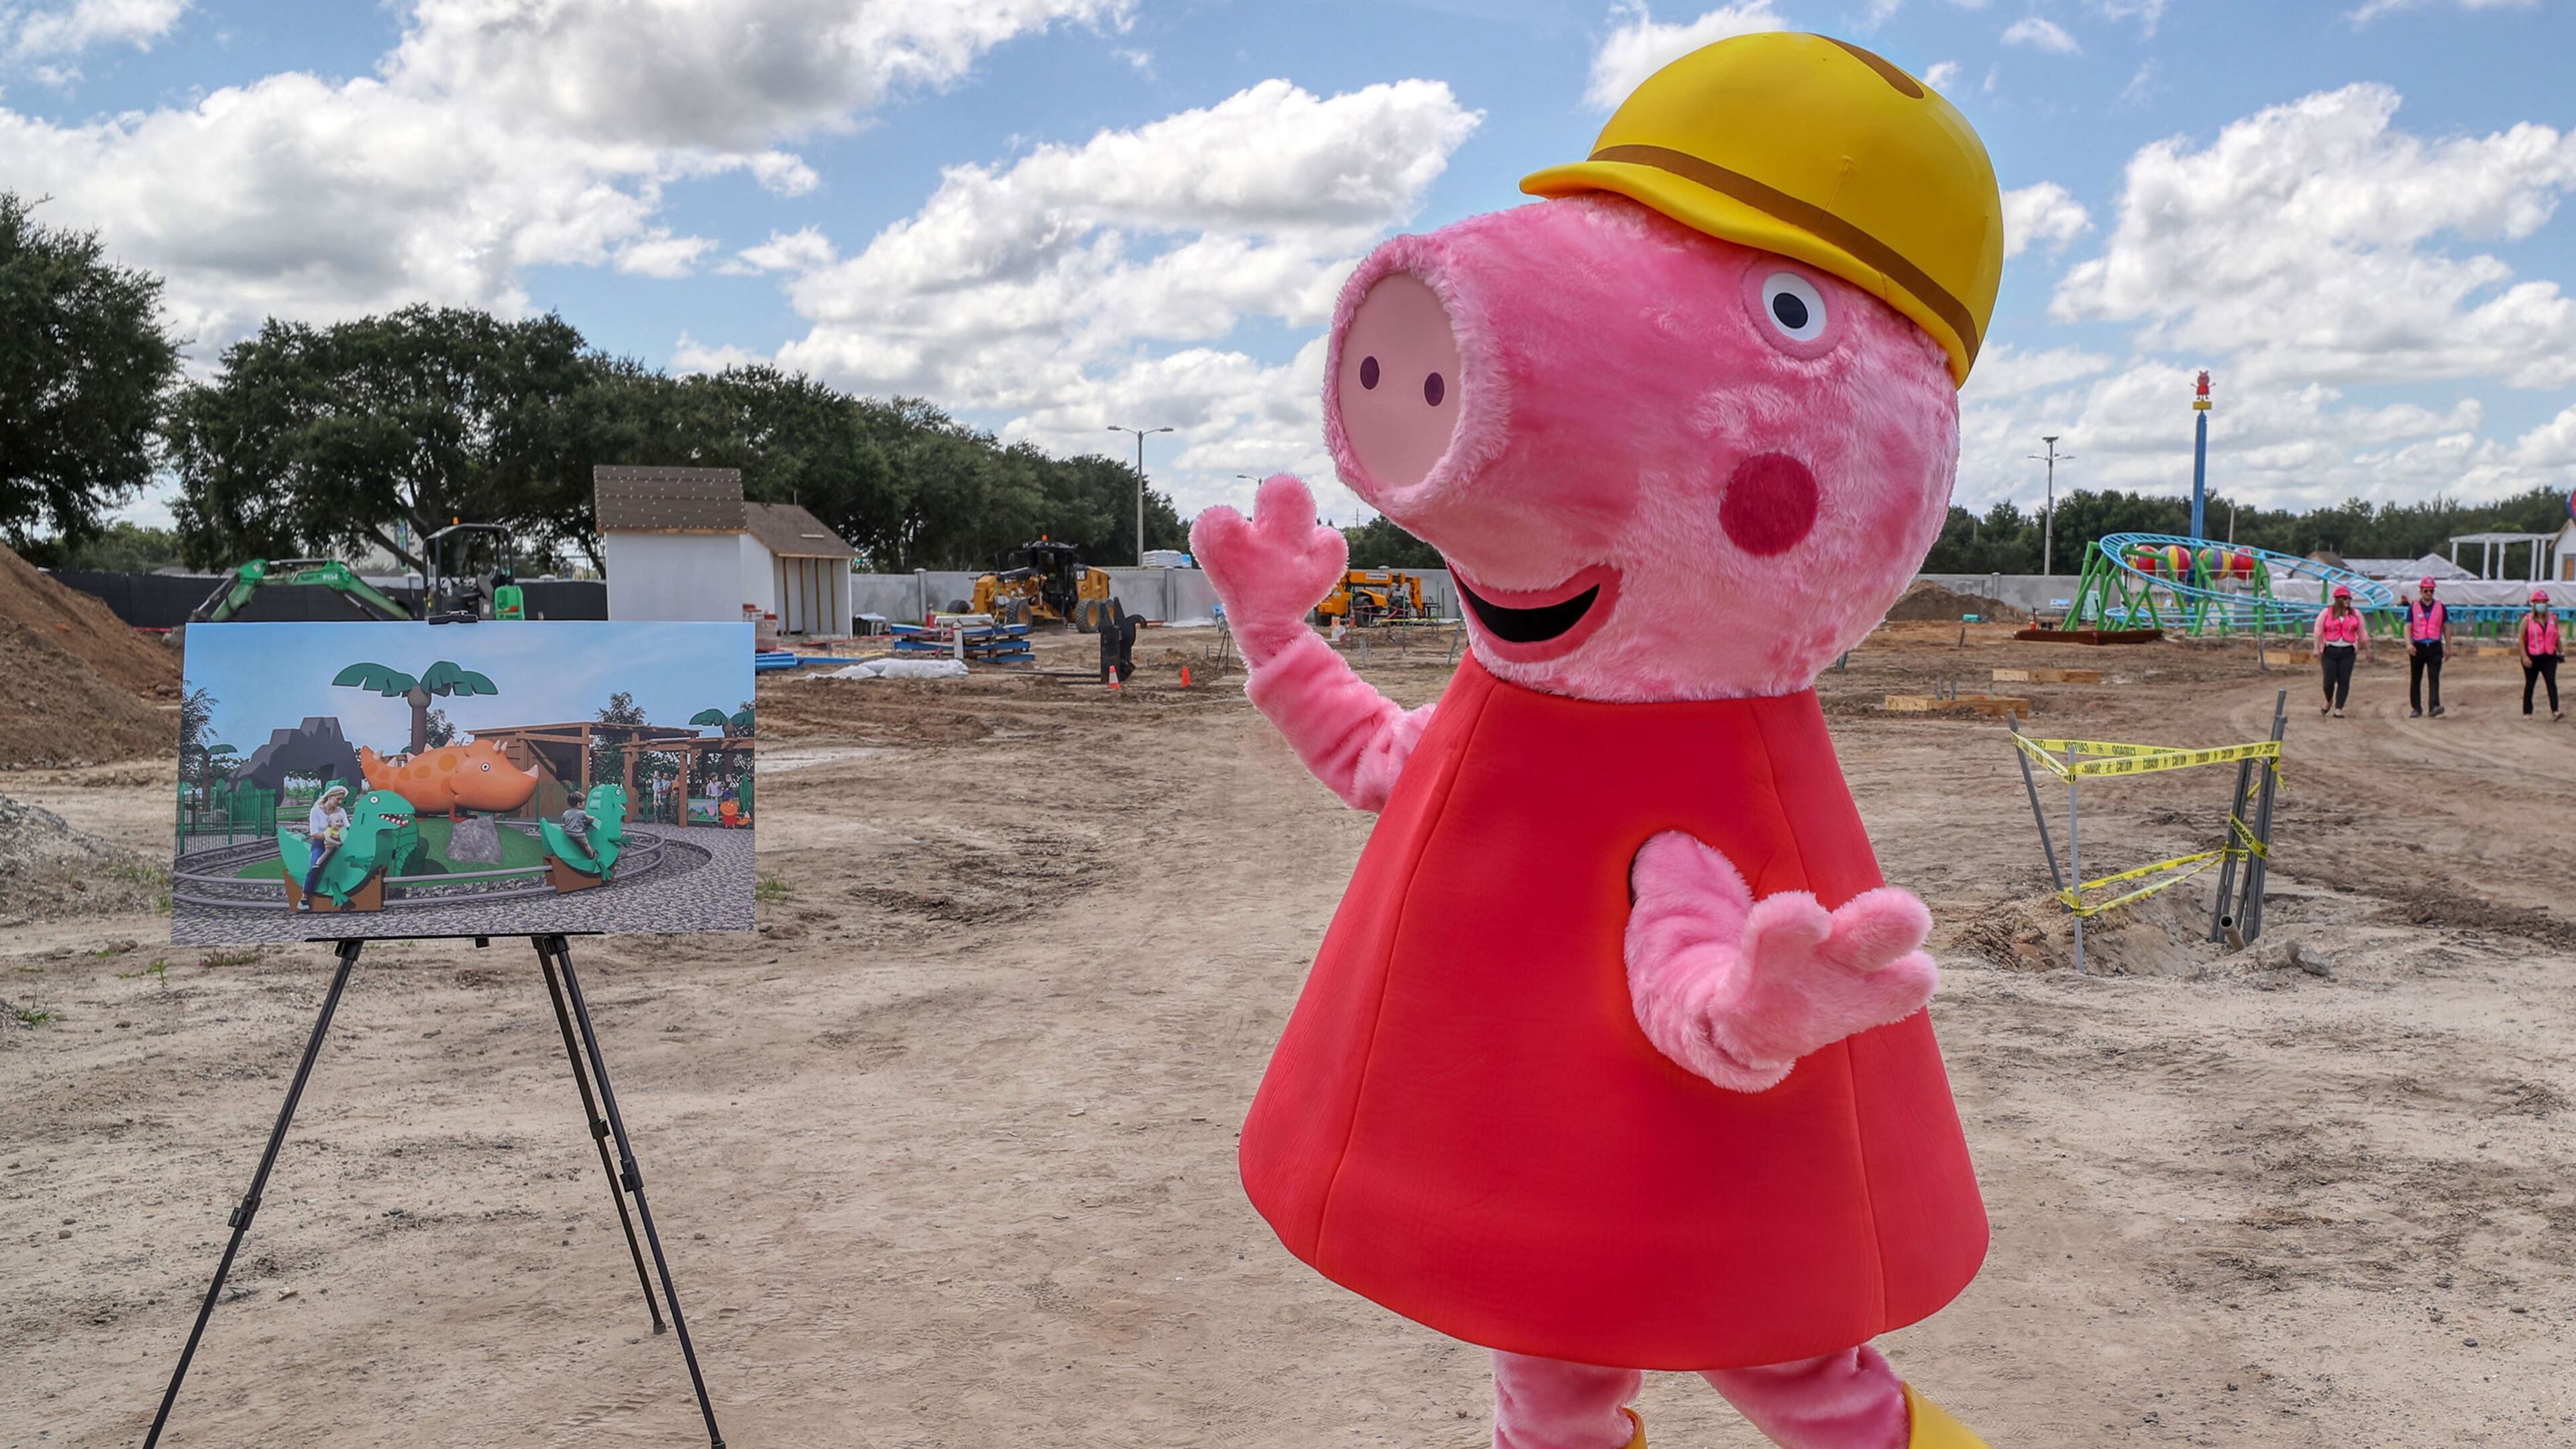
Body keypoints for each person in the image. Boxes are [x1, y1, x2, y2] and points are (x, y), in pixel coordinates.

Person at [2310, 584, 2372, 717]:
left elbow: (2362, 632)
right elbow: (2318, 630)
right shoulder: (2327, 613)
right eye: (2345, 598)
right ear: (2338, 599)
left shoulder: (2355, 614)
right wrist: (2316, 648)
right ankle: (2328, 700)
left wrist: (2368, 650)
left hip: (2348, 651)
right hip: (2330, 650)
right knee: (2328, 680)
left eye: (2349, 598)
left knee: (2344, 680)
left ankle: (2339, 708)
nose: (2348, 601)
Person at [297, 784, 350, 911]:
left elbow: (347, 827)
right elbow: (314, 833)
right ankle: (304, 898)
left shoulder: (341, 811)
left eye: (342, 799)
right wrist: (329, 838)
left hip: (339, 842)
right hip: (321, 842)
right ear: (330, 797)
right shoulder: (316, 811)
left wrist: (340, 838)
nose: (340, 802)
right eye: (338, 799)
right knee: (315, 866)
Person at [2404, 576, 2451, 718]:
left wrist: (2448, 646)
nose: (2429, 594)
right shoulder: (2414, 607)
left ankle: (2434, 706)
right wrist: (2408, 644)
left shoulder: (2441, 607)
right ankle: (2416, 708)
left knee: (2434, 677)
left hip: (2435, 646)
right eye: (2426, 591)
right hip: (2418, 647)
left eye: (2431, 591)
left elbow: (2446, 627)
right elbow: (2408, 627)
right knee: (2416, 678)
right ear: (2421, 591)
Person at [2522, 588, 2562, 721]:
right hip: (2532, 656)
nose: (2541, 605)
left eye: (2544, 602)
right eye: (2539, 602)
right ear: (2534, 604)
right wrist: (2524, 656)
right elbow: (2521, 639)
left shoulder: (2553, 619)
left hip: (2549, 656)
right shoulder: (2527, 620)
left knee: (2551, 681)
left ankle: (2555, 710)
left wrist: (2561, 652)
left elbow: (2557, 636)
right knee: (2530, 683)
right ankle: (2527, 712)